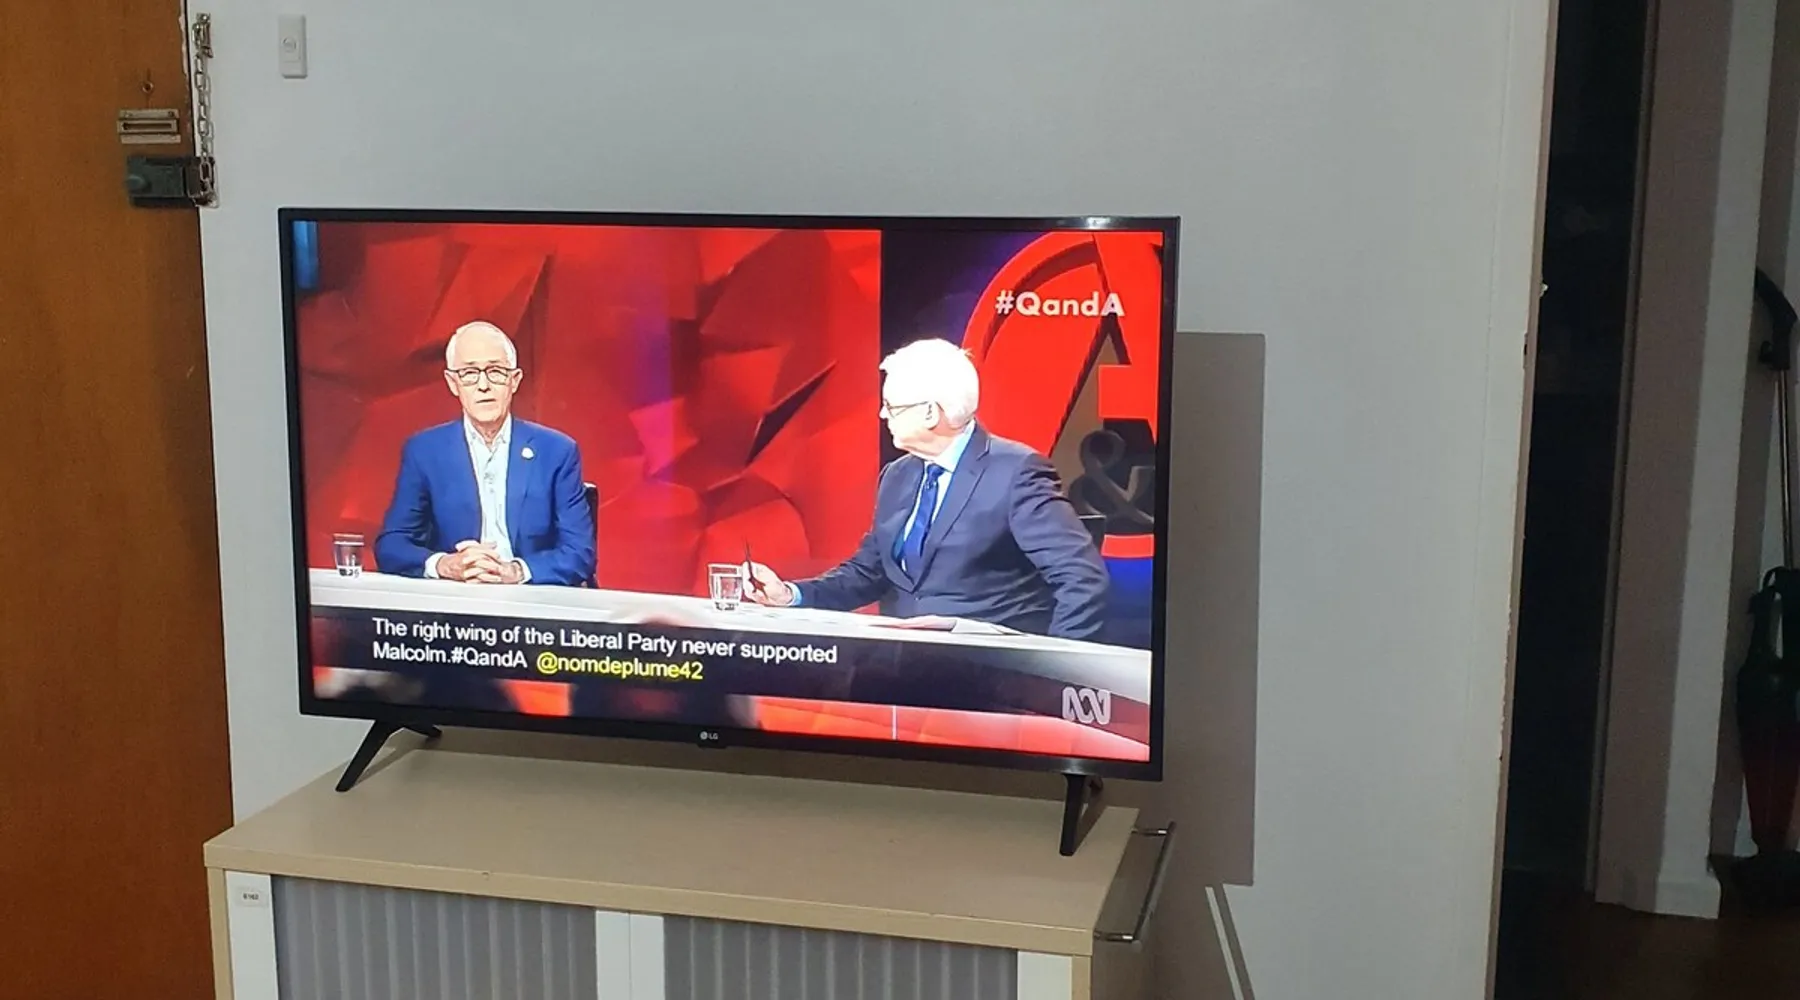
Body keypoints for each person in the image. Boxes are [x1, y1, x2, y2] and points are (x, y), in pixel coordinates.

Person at [745, 338, 1109, 640]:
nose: (882, 415)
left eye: (891, 406)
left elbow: (1081, 578)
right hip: (904, 666)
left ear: (930, 413)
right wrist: (790, 594)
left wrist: (1053, 675)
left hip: (990, 676)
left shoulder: (1015, 472)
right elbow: (868, 573)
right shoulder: (898, 476)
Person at [374, 321, 596, 586]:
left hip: (531, 598)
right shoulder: (424, 451)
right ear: (453, 383)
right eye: (469, 373)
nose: (483, 385)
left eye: (495, 371)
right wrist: (446, 565)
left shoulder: (557, 451)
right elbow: (392, 545)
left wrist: (515, 571)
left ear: (514, 380)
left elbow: (579, 552)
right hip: (454, 599)